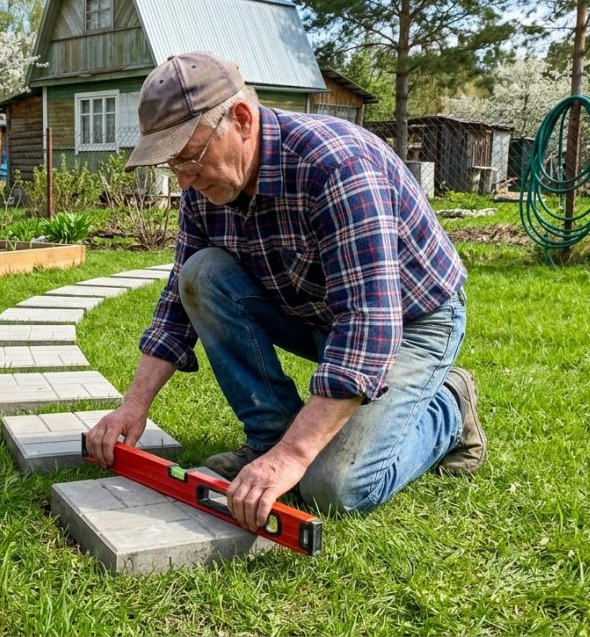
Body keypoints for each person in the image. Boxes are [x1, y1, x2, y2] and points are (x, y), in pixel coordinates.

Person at [83, 52, 484, 533]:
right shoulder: (205, 189)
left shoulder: (338, 166)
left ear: (242, 119)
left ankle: (449, 407)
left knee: (335, 487)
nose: (184, 180)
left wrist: (296, 456)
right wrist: (133, 405)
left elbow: (367, 324)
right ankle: (268, 437)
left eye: (189, 157)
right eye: (174, 165)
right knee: (201, 272)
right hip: (315, 311)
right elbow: (178, 301)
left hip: (411, 322)